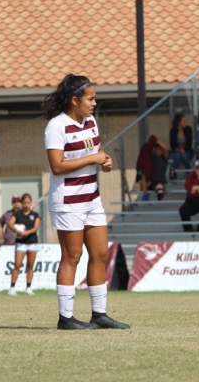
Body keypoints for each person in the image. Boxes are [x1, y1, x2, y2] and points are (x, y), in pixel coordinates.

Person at [43, 73, 129, 330]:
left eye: (95, 98)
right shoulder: (56, 126)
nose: (94, 103)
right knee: (72, 256)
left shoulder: (91, 121)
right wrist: (92, 159)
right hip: (68, 201)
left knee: (100, 254)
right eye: (90, 99)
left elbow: (95, 153)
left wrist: (105, 161)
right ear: (73, 100)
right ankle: (65, 318)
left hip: (91, 198)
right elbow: (57, 166)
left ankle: (99, 314)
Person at [7, 193, 41, 296]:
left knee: (30, 266)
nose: (26, 205)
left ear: (31, 203)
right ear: (21, 203)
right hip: (21, 243)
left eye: (28, 202)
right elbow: (10, 224)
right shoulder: (18, 214)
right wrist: (17, 230)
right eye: (24, 203)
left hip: (32, 242)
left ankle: (28, 288)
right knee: (17, 265)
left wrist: (26, 232)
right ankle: (12, 288)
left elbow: (36, 227)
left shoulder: (35, 215)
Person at [136, 135, 169, 201]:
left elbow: (166, 148)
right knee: (144, 175)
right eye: (157, 149)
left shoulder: (164, 158)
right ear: (155, 150)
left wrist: (157, 141)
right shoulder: (151, 157)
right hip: (150, 180)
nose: (159, 151)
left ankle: (159, 195)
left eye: (160, 150)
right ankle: (145, 195)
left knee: (159, 188)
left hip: (159, 181)